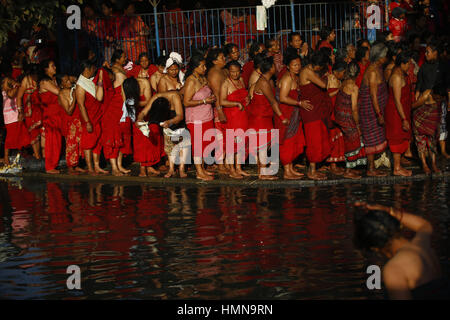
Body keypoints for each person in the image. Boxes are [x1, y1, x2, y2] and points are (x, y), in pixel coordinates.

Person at [353, 202, 449, 300]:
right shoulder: (422, 245)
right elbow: (424, 225)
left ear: (375, 248)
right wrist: (388, 211)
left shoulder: (394, 269)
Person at [247, 56, 288, 180]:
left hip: (262, 117)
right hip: (261, 118)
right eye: (274, 66)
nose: (276, 67)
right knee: (263, 145)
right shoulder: (264, 82)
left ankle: (262, 171)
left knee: (263, 145)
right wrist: (282, 117)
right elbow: (273, 102)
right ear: (270, 68)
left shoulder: (265, 80)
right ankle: (263, 173)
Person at [298, 52, 336, 180]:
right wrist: (327, 78)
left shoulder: (311, 71)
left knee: (320, 137)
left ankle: (317, 166)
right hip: (311, 112)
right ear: (319, 65)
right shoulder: (307, 71)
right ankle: (311, 171)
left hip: (316, 110)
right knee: (314, 140)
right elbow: (323, 85)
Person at [276, 51, 312, 179]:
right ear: (288, 66)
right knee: (287, 141)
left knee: (293, 141)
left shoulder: (294, 77)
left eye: (299, 65)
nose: (297, 67)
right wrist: (299, 103)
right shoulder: (286, 79)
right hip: (287, 114)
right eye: (294, 65)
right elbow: (283, 98)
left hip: (294, 114)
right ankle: (286, 171)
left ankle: (290, 168)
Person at [412, 41, 446, 174]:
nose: (425, 54)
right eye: (425, 52)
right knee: (420, 137)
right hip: (422, 105)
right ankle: (424, 164)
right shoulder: (423, 68)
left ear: (435, 52)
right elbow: (418, 87)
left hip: (434, 106)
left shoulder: (442, 67)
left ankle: (433, 163)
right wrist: (416, 104)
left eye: (428, 52)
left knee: (432, 137)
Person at [183, 55, 216, 181]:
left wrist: (211, 99)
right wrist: (204, 100)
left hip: (206, 117)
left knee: (205, 144)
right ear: (195, 67)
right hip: (196, 119)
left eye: (205, 65)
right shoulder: (191, 81)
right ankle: (199, 172)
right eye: (202, 66)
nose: (205, 68)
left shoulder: (202, 78)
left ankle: (202, 169)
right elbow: (186, 102)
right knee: (198, 146)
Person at [137, 91, 186, 178]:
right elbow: (143, 112)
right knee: (169, 147)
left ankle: (181, 169)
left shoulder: (174, 97)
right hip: (165, 123)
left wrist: (170, 121)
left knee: (181, 145)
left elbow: (180, 116)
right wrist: (140, 119)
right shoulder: (156, 97)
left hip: (176, 120)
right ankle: (171, 169)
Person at [358, 43, 389, 177]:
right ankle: (370, 169)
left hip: (376, 109)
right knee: (370, 138)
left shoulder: (378, 68)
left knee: (375, 136)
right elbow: (373, 95)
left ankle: (373, 167)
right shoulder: (372, 71)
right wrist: (379, 114)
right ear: (380, 57)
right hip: (370, 110)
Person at [334, 61, 366, 179]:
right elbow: (354, 109)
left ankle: (352, 168)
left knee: (351, 139)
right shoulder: (354, 87)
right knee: (353, 139)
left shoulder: (344, 82)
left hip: (339, 115)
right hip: (346, 117)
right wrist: (357, 125)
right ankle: (348, 170)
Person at [76, 60, 108, 175]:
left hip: (97, 115)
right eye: (92, 69)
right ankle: (90, 167)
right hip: (89, 118)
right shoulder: (80, 86)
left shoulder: (89, 81)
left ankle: (97, 166)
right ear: (87, 70)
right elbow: (81, 105)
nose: (93, 72)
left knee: (98, 141)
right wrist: (87, 122)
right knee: (88, 143)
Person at [219, 60, 250, 179]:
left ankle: (239, 168)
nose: (235, 74)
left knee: (242, 142)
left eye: (237, 72)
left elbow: (244, 94)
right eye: (232, 72)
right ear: (228, 72)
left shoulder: (241, 81)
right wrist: (236, 103)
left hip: (243, 116)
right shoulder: (226, 83)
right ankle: (232, 169)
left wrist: (247, 99)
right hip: (232, 117)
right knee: (232, 144)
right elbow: (222, 101)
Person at [385, 51, 413, 177]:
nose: (409, 67)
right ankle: (396, 168)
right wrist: (404, 118)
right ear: (402, 64)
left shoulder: (401, 73)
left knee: (402, 137)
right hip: (396, 113)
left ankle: (398, 165)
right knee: (397, 138)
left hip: (401, 110)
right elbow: (397, 100)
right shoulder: (396, 76)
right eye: (408, 64)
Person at [38, 59, 64, 174]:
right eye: (52, 66)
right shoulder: (45, 82)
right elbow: (59, 92)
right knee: (51, 140)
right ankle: (49, 166)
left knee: (57, 140)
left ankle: (54, 164)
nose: (55, 67)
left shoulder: (53, 80)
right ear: (46, 69)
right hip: (50, 114)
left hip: (57, 113)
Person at [57, 74, 85, 175]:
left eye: (69, 80)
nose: (69, 82)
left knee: (78, 142)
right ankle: (70, 166)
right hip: (69, 121)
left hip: (77, 119)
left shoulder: (73, 89)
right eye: (66, 81)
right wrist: (74, 98)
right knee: (70, 144)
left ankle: (76, 165)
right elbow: (69, 111)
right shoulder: (61, 93)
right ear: (61, 85)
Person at [206, 48, 228, 173]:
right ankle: (220, 164)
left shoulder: (222, 70)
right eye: (221, 58)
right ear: (214, 61)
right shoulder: (214, 73)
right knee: (220, 137)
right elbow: (217, 94)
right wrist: (220, 111)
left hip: (226, 107)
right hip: (219, 108)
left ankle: (225, 162)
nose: (224, 59)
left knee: (226, 136)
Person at [16, 63, 42, 159]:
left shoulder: (40, 80)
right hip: (29, 112)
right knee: (33, 133)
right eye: (34, 74)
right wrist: (20, 111)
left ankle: (41, 155)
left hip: (39, 110)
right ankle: (38, 156)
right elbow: (19, 97)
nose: (36, 76)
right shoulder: (26, 80)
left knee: (41, 131)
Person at [2, 77, 30, 165]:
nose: (10, 82)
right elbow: (11, 95)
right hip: (9, 116)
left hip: (16, 114)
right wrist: (16, 86)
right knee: (10, 137)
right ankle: (6, 156)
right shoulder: (6, 90)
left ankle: (21, 153)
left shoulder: (14, 88)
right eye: (7, 81)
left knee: (20, 133)